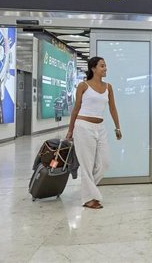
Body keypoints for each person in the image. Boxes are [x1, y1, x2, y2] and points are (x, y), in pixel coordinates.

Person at [66, 56, 122, 209]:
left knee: (104, 163)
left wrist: (117, 127)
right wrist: (70, 130)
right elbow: (76, 109)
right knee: (87, 164)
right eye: (102, 66)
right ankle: (89, 198)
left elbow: (112, 108)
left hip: (100, 127)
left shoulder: (108, 87)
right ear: (93, 68)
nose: (105, 69)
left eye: (105, 66)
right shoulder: (83, 86)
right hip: (83, 126)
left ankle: (88, 192)